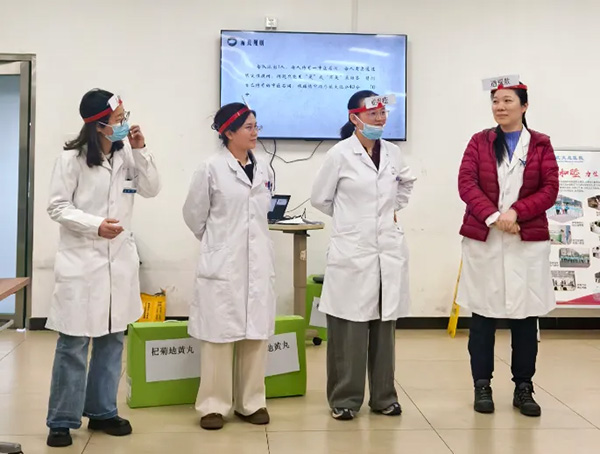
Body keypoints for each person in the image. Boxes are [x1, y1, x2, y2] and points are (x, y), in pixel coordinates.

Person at [45, 89, 161, 447]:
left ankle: (102, 411)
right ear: (99, 125)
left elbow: (152, 189)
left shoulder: (126, 155)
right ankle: (61, 420)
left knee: (112, 341)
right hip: (82, 263)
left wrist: (140, 150)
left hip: (118, 262)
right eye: (118, 120)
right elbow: (57, 207)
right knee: (74, 344)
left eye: (125, 117)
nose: (124, 124)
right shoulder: (71, 160)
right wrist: (95, 225)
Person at [310, 90, 416, 421]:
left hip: (387, 250)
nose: (380, 119)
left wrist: (390, 209)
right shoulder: (340, 154)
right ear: (354, 118)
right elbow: (320, 198)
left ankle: (384, 397)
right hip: (353, 251)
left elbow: (406, 183)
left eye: (383, 113)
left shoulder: (393, 152)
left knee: (384, 329)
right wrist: (353, 220)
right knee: (349, 331)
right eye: (373, 114)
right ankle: (345, 399)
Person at [457, 80, 558, 417]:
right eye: (495, 101)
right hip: (485, 237)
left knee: (525, 318)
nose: (500, 107)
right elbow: (466, 183)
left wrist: (516, 213)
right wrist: (494, 216)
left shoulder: (540, 144)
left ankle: (523, 387)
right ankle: (481, 385)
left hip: (525, 239)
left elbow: (549, 189)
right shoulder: (479, 141)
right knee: (482, 317)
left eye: (507, 101)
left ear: (524, 106)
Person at [183, 102, 275, 430]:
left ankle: (251, 403)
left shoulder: (263, 169)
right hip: (223, 263)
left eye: (256, 126)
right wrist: (218, 244)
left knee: (255, 336)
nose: (255, 132)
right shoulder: (210, 168)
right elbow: (194, 215)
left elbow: (261, 214)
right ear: (229, 132)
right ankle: (213, 406)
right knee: (218, 338)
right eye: (248, 127)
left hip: (257, 263)